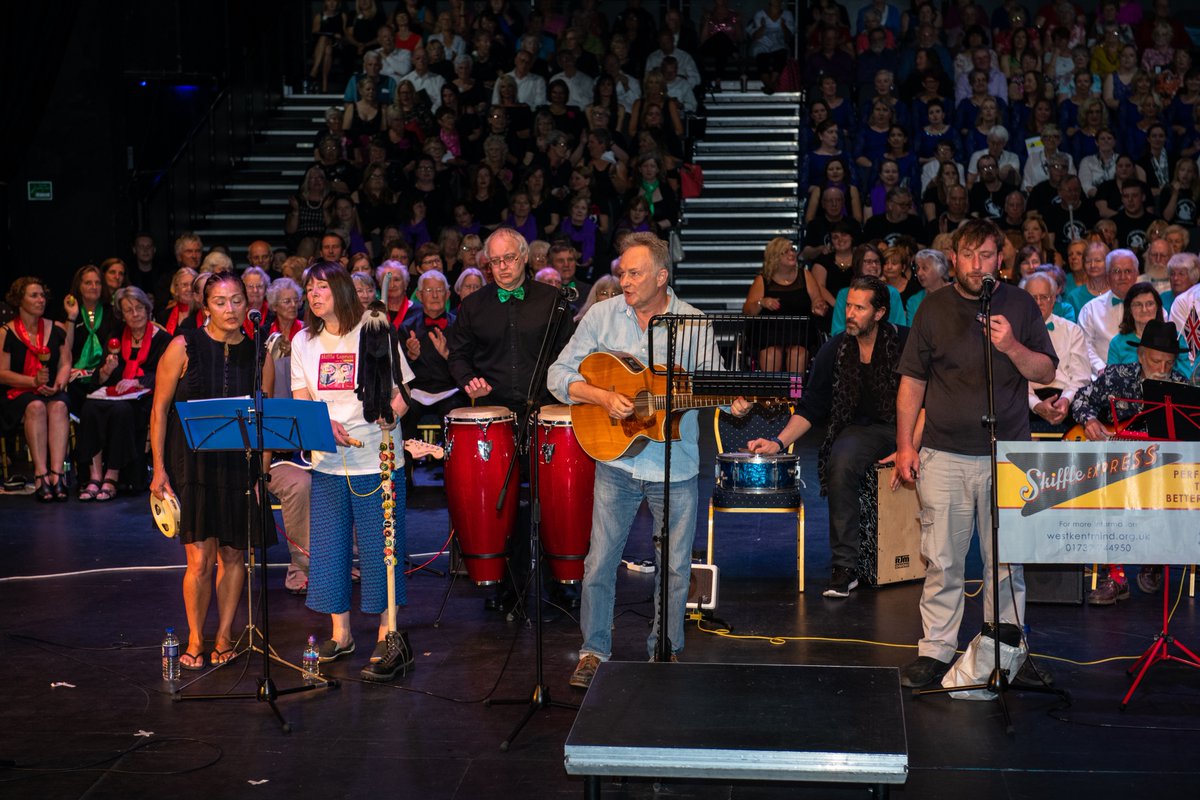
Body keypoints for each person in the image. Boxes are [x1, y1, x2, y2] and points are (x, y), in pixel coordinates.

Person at [548, 232, 751, 689]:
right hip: (615, 459)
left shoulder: (694, 325)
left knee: (676, 566)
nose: (624, 280)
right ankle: (593, 651)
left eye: (634, 273)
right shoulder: (601, 315)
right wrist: (601, 395)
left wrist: (731, 403)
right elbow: (556, 375)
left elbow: (713, 385)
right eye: (621, 272)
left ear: (662, 276)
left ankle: (665, 649)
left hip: (674, 465)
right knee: (600, 560)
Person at [895, 218, 1057, 689]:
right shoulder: (933, 308)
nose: (976, 265)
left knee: (1007, 560)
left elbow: (1045, 370)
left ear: (999, 260)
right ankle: (937, 650)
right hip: (943, 453)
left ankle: (1006, 650)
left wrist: (1011, 346)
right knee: (942, 558)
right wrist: (906, 444)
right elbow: (912, 382)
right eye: (967, 256)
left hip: (1007, 454)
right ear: (954, 259)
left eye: (986, 255)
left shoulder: (1020, 303)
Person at [747, 276, 909, 598]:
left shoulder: (904, 341)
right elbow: (811, 406)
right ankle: (845, 566)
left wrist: (909, 445)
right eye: (848, 305)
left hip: (909, 424)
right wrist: (778, 443)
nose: (850, 313)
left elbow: (926, 398)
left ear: (879, 314)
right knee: (841, 459)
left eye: (859, 308)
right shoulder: (834, 349)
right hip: (863, 431)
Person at [290, 262, 416, 676]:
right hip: (328, 464)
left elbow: (404, 390)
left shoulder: (374, 331)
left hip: (375, 460)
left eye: (322, 286)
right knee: (329, 550)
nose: (313, 294)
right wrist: (321, 426)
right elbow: (301, 399)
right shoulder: (303, 342)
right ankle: (341, 633)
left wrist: (390, 416)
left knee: (382, 552)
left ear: (341, 290)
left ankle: (386, 636)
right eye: (309, 288)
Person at [447, 228, 576, 611]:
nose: (502, 268)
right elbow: (458, 355)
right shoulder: (473, 306)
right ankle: (508, 586)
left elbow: (570, 354)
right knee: (504, 505)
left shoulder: (554, 301)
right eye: (495, 261)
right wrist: (468, 379)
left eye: (509, 259)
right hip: (497, 417)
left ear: (525, 258)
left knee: (550, 501)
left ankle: (560, 581)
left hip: (548, 415)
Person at [150, 272, 264, 670]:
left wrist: (260, 475)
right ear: (205, 306)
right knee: (199, 560)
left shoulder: (256, 351)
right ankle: (196, 637)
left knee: (234, 557)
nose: (230, 309)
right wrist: (159, 470)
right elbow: (159, 410)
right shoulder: (184, 347)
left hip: (238, 465)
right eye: (220, 301)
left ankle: (226, 633)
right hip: (192, 466)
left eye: (237, 300)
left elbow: (262, 419)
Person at [1069, 319, 1190, 603]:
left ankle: (1154, 563)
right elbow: (1080, 400)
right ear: (1141, 355)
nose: (1162, 370)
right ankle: (1116, 577)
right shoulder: (1117, 376)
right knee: (1105, 495)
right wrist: (1089, 421)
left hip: (1160, 471)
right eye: (1156, 361)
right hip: (1116, 466)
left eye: (1168, 363)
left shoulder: (1181, 387)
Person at [75, 287, 169, 501]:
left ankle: (112, 475)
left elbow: (165, 373)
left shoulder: (162, 338)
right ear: (122, 314)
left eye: (138, 308)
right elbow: (102, 375)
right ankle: (95, 475)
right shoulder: (116, 336)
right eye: (128, 310)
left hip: (145, 398)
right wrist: (106, 371)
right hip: (116, 394)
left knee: (122, 411)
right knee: (89, 407)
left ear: (147, 309)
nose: (135, 314)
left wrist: (136, 381)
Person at [0, 277, 71, 502]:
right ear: (19, 300)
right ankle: (40, 475)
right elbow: (2, 373)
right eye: (34, 295)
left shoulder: (57, 328)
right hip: (19, 392)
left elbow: (66, 363)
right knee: (36, 406)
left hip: (50, 388)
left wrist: (58, 382)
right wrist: (32, 382)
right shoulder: (6, 332)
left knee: (59, 405)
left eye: (42, 295)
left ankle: (57, 474)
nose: (41, 300)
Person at [741, 237, 824, 374]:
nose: (792, 253)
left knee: (797, 354)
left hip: (799, 333)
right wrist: (762, 302)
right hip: (770, 333)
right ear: (774, 257)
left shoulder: (805, 276)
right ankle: (772, 394)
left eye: (792, 250)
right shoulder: (762, 280)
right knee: (771, 354)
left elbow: (817, 300)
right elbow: (747, 311)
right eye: (785, 251)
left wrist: (818, 306)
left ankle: (794, 394)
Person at [1022, 272, 1090, 434]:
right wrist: (1036, 404)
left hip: (1067, 398)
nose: (1038, 303)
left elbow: (1081, 376)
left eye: (1044, 297)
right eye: (1033, 297)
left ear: (1053, 299)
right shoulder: (1015, 333)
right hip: (1027, 401)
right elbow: (1014, 380)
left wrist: (1066, 399)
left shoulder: (1072, 331)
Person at [1077, 248, 1142, 374]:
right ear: (1107, 276)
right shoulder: (1090, 309)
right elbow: (1085, 346)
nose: (1122, 277)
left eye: (1128, 271)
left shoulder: (1151, 308)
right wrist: (1102, 370)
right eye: (1116, 271)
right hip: (1101, 378)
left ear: (1137, 274)